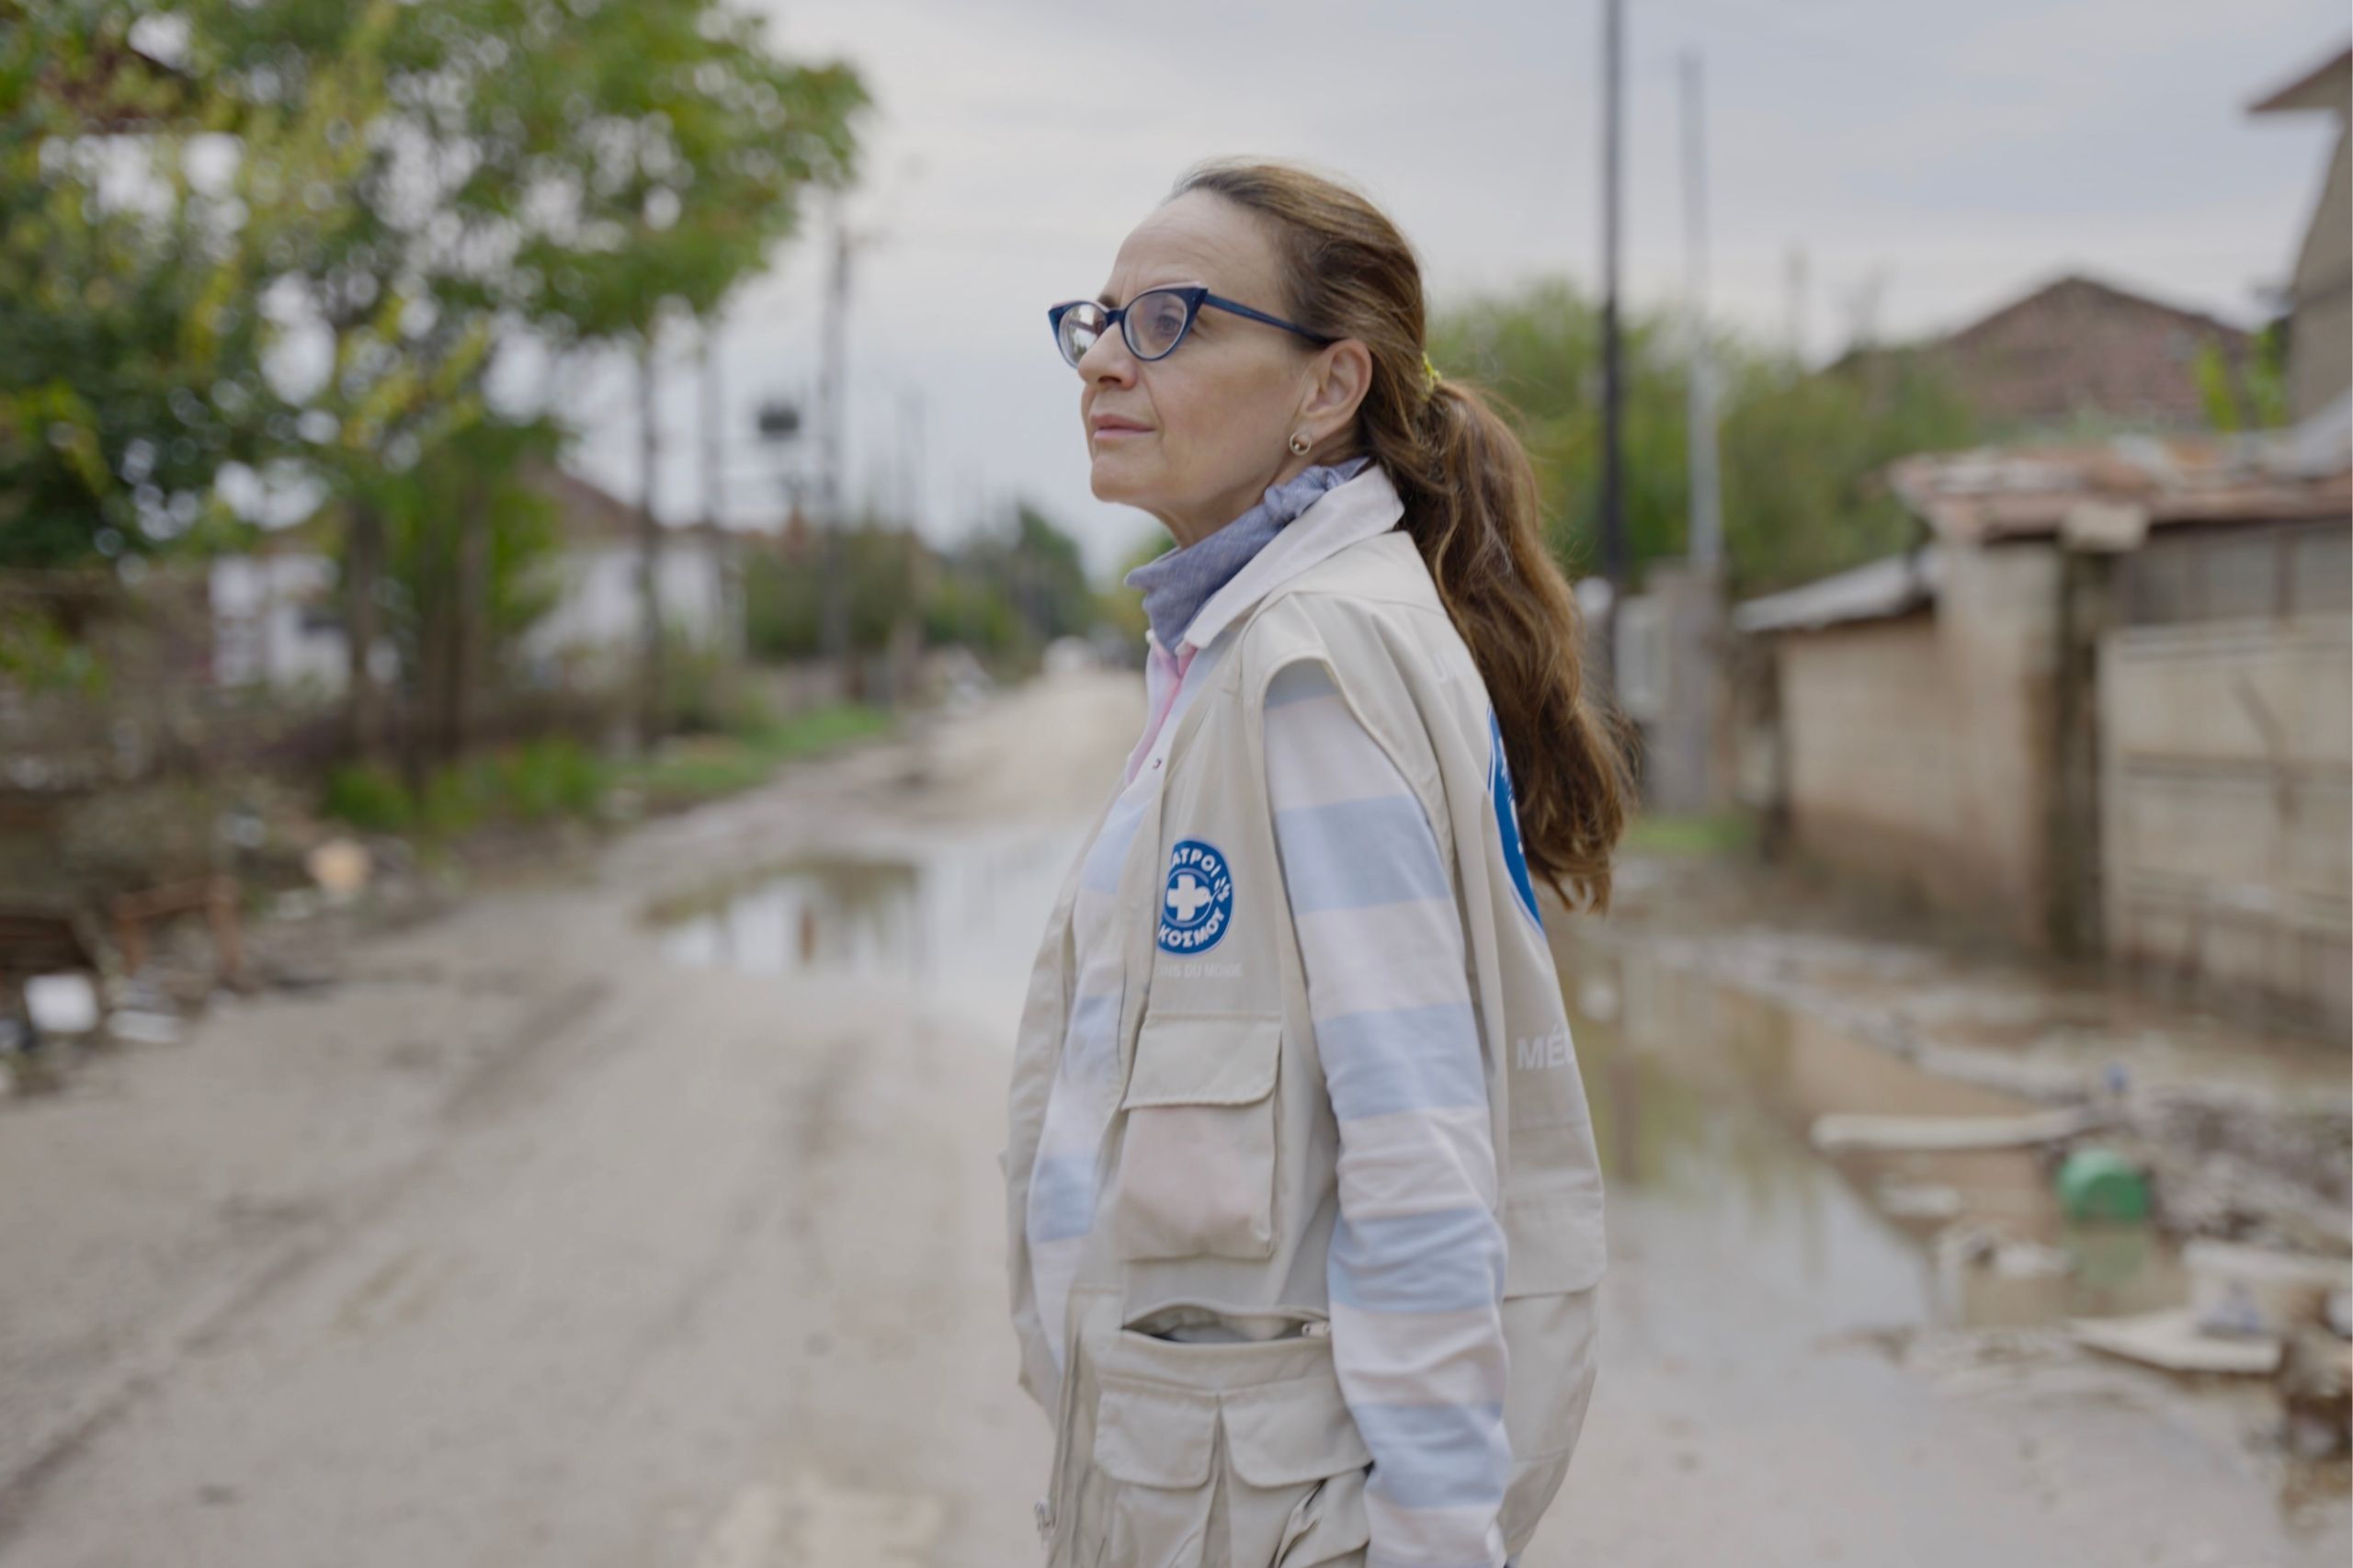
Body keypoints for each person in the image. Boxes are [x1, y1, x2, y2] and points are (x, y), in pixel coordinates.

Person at [1002, 158, 1628, 1568]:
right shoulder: (1236, 641)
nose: (1103, 361)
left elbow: (1419, 1153)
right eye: (1096, 321)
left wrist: (1432, 1541)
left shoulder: (1310, 663)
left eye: (1169, 321)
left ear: (1329, 386)